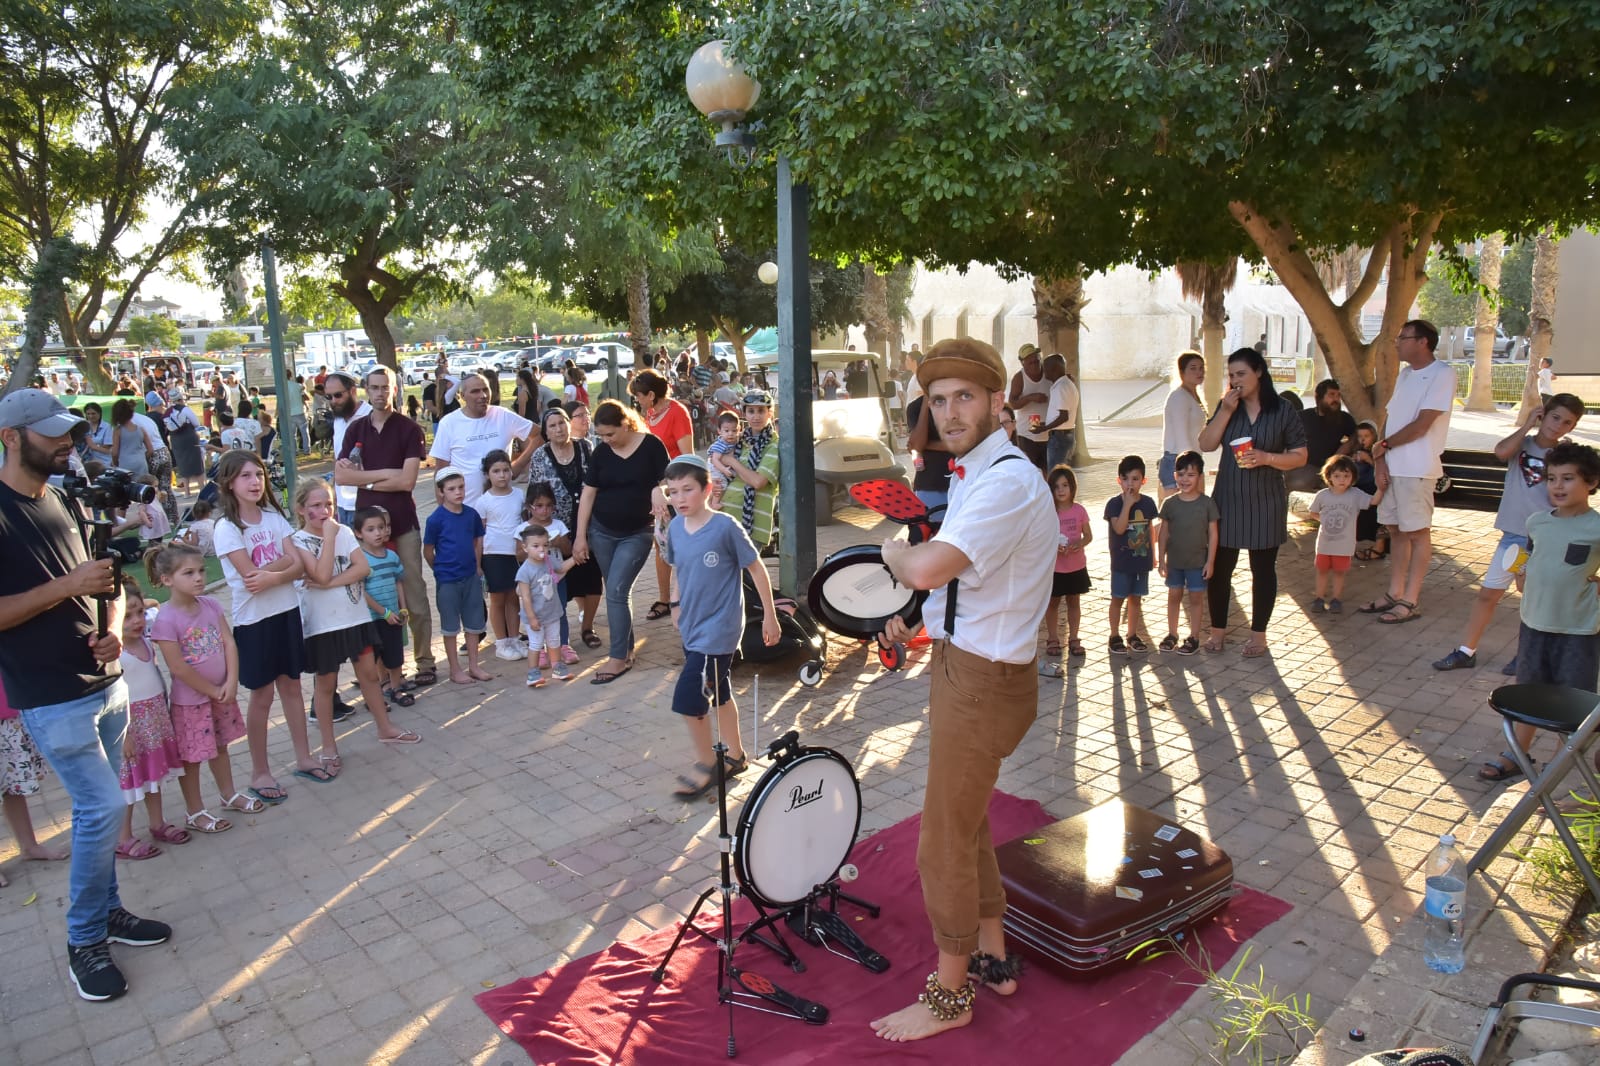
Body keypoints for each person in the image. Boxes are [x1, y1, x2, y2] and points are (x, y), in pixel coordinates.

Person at [869, 338, 1055, 1043]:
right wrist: (911, 616)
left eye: (964, 397)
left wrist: (894, 554)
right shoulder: (982, 470)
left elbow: (926, 567)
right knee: (968, 821)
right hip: (967, 666)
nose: (949, 412)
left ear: (998, 402)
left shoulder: (1004, 480)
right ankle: (993, 955)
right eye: (938, 400)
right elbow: (956, 582)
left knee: (941, 841)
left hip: (982, 681)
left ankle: (951, 998)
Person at [0, 389, 171, 1002]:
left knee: (102, 807)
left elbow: (111, 580)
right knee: (100, 810)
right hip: (49, 693)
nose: (66, 441)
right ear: (11, 438)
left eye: (68, 430)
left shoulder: (65, 498)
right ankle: (83, 940)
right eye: (50, 434)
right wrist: (68, 585)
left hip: (106, 682)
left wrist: (112, 623)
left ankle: (111, 913)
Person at [1433, 395, 1584, 677]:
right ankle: (1467, 651)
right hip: (1514, 538)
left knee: (1531, 600)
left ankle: (1526, 655)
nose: (1559, 426)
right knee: (1488, 594)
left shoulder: (1566, 455)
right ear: (1543, 414)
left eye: (1568, 423)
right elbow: (1501, 451)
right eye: (1555, 417)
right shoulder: (1522, 445)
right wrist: (1526, 425)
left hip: (1545, 540)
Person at [1475, 442, 1600, 782]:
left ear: (1590, 482)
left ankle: (1559, 768)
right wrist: (1522, 575)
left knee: (1571, 700)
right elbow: (1528, 572)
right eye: (1552, 478)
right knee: (1528, 690)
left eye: (1568, 478)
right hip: (1534, 623)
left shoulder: (1597, 528)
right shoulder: (1537, 522)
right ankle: (1516, 754)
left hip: (1579, 630)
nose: (1558, 486)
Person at [661, 456, 777, 798]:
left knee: (689, 699)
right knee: (720, 691)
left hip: (720, 629)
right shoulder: (674, 528)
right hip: (692, 626)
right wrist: (675, 604)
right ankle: (737, 755)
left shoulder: (726, 527)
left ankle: (707, 765)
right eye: (673, 491)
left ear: (707, 489)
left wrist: (770, 616)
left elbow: (756, 569)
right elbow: (678, 569)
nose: (680, 498)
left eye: (688, 490)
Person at [212, 449, 323, 795]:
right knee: (261, 696)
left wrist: (273, 575)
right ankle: (260, 772)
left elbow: (299, 565)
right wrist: (283, 569)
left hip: (286, 613)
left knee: (291, 686)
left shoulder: (274, 518)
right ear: (229, 482)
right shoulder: (227, 527)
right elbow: (249, 576)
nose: (254, 482)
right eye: (245, 476)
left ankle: (304, 758)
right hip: (254, 622)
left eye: (258, 474)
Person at [287, 480, 420, 749]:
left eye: (329, 504)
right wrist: (329, 539)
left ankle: (385, 728)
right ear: (301, 509)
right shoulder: (298, 540)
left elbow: (362, 569)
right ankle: (328, 746)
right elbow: (321, 572)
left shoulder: (345, 532)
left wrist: (331, 581)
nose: (324, 511)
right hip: (323, 624)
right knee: (326, 684)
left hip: (355, 617)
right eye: (316, 505)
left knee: (369, 675)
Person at [1197, 347, 1308, 656]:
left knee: (1263, 570)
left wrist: (1267, 457)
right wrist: (1225, 412)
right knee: (1220, 570)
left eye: (1241, 374)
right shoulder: (1227, 406)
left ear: (1259, 372)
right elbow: (1205, 444)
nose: (1235, 381)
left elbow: (1301, 456)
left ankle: (1258, 636)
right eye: (1231, 375)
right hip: (1229, 498)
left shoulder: (1283, 410)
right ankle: (1217, 632)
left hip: (1266, 500)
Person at [145, 541, 260, 833]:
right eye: (188, 573)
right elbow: (178, 668)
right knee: (193, 757)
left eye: (200, 571)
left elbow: (228, 642)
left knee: (220, 747)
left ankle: (228, 793)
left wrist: (231, 681)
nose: (198, 578)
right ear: (167, 579)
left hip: (222, 693)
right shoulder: (166, 620)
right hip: (191, 702)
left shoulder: (210, 605)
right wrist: (212, 691)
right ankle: (195, 811)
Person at [335, 366, 435, 687]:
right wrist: (385, 475)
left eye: (385, 387)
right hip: (366, 530)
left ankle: (425, 661)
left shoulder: (409, 429)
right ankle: (384, 671)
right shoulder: (356, 430)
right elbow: (342, 476)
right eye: (374, 387)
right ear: (365, 389)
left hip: (403, 524)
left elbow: (407, 482)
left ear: (395, 389)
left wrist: (366, 478)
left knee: (414, 595)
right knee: (373, 597)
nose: (380, 393)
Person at [1359, 320, 1452, 625]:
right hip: (1394, 466)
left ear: (1423, 341)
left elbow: (1422, 424)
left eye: (1403, 338)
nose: (1397, 343)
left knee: (1416, 532)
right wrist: (1381, 458)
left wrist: (1383, 445)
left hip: (1417, 468)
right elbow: (1391, 417)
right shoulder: (1405, 374)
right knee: (1395, 531)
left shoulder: (1442, 374)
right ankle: (1394, 592)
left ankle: (1410, 600)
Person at [574, 400, 671, 685]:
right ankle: (626, 650)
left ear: (626, 424)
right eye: (601, 435)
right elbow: (589, 495)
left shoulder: (652, 445)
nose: (605, 440)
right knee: (618, 590)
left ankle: (617, 658)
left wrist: (658, 488)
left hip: (638, 531)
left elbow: (671, 480)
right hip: (601, 531)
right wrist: (581, 536)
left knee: (616, 589)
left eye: (610, 434)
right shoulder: (602, 453)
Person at [114, 579, 185, 859]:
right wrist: (125, 733)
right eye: (127, 616)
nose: (136, 620)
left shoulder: (146, 639)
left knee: (155, 775)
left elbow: (156, 606)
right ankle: (122, 837)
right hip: (132, 727)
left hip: (155, 720)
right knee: (130, 784)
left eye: (139, 613)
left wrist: (143, 604)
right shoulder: (116, 654)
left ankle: (157, 823)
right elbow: (113, 698)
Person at [527, 406, 602, 651]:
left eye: (563, 422)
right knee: (558, 583)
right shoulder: (540, 455)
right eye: (552, 425)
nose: (559, 428)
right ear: (546, 432)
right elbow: (535, 493)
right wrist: (539, 530)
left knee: (591, 579)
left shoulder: (586, 447)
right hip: (555, 531)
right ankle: (558, 636)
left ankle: (587, 627)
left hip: (587, 527)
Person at [630, 368, 694, 620]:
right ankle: (664, 598)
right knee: (662, 543)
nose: (638, 401)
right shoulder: (651, 414)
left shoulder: (677, 413)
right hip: (657, 490)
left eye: (640, 396)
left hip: (677, 488)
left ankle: (686, 596)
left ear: (652, 395)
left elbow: (687, 455)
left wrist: (673, 486)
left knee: (685, 543)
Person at [424, 467, 491, 685]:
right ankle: (455, 669)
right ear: (441, 491)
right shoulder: (436, 519)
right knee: (450, 626)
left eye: (461, 487)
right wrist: (440, 570)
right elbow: (428, 551)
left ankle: (474, 666)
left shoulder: (471, 515)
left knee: (473, 624)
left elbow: (476, 541)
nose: (458, 492)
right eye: (451, 489)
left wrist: (477, 566)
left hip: (470, 576)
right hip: (447, 579)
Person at [429, 372, 535, 506]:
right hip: (465, 509)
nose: (483, 396)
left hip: (501, 511)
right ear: (463, 396)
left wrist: (518, 465)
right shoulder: (449, 423)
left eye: (485, 389)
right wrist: (443, 510)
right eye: (475, 391)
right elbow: (441, 470)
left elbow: (539, 436)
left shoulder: (503, 416)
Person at [1156, 450, 1219, 655]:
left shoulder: (1207, 503)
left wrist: (1210, 562)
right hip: (1175, 561)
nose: (1185, 479)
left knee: (1196, 598)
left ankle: (1194, 636)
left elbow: (1213, 535)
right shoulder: (1170, 504)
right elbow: (1163, 533)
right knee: (1173, 595)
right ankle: (1172, 634)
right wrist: (1162, 559)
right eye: (1181, 474)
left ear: (1200, 477)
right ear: (1174, 475)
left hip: (1197, 562)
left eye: (1191, 475)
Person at [353, 506, 414, 708]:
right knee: (370, 661)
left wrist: (402, 608)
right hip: (371, 619)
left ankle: (396, 688)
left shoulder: (391, 556)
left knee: (395, 656)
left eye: (381, 527)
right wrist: (383, 612)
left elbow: (398, 581)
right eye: (370, 529)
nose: (378, 533)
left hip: (393, 616)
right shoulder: (360, 560)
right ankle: (374, 697)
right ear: (358, 533)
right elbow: (361, 590)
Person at [1308, 455, 1377, 613]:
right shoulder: (1323, 495)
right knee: (1322, 571)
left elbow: (1373, 501)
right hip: (1325, 543)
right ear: (1329, 476)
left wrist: (1382, 486)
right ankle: (1318, 598)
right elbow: (1313, 512)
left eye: (1346, 476)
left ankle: (1336, 599)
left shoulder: (1355, 494)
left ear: (1353, 477)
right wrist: (1324, 520)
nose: (1342, 480)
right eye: (1337, 476)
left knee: (1339, 573)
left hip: (1344, 545)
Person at [475, 450, 526, 662]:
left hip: (515, 554)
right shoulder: (483, 501)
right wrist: (478, 564)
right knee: (497, 599)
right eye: (496, 471)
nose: (502, 475)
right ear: (488, 474)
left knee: (514, 597)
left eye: (506, 470)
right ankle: (501, 643)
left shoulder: (519, 495)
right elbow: (478, 537)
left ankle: (514, 638)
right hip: (493, 555)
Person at [715, 391, 781, 551]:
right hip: (725, 516)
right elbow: (715, 462)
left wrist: (731, 461)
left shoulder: (773, 445)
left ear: (770, 413)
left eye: (761, 411)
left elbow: (758, 481)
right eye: (751, 411)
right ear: (744, 413)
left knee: (747, 574)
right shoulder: (737, 439)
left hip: (753, 525)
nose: (756, 416)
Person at [1105, 455, 1158, 654]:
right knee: (1118, 598)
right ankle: (1114, 635)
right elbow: (1119, 529)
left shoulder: (1148, 503)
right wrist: (1127, 504)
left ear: (1143, 481)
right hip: (1121, 561)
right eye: (1126, 479)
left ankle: (1132, 634)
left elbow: (1150, 528)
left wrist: (1153, 554)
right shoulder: (1114, 504)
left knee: (1136, 598)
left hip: (1141, 559)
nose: (1130, 484)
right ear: (1119, 480)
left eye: (1135, 479)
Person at [524, 482, 580, 666]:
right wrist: (535, 547)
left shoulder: (558, 524)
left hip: (557, 579)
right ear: (529, 507)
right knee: (537, 612)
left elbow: (568, 549)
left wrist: (558, 541)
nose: (544, 510)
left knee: (560, 611)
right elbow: (517, 553)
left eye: (549, 506)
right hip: (534, 583)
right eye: (538, 506)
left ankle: (563, 645)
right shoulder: (524, 528)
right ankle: (539, 649)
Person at [516, 524, 578, 687]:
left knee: (554, 640)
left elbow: (562, 567)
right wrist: (531, 618)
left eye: (545, 545)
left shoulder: (549, 560)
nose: (541, 549)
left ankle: (557, 667)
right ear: (525, 547)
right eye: (535, 546)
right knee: (536, 644)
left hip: (552, 613)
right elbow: (526, 597)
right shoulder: (524, 571)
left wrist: (575, 558)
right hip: (535, 616)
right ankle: (533, 672)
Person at [1043, 465, 1091, 660]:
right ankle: (1053, 637)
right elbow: (1042, 537)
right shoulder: (1048, 512)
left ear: (1072, 487)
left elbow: (1088, 535)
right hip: (1055, 568)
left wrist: (1079, 543)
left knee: (1074, 601)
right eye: (1056, 486)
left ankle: (1074, 637)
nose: (1061, 490)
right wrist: (1053, 546)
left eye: (1065, 485)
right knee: (1053, 603)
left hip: (1076, 566)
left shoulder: (1079, 511)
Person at [1287, 379, 1358, 493]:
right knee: (1287, 482)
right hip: (1305, 466)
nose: (1336, 399)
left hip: (1334, 469)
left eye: (1338, 395)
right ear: (1318, 397)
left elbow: (1356, 437)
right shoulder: (1303, 417)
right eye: (1331, 395)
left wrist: (1338, 455)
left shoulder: (1344, 419)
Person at [321, 373, 370, 524]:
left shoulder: (371, 417)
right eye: (328, 397)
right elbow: (338, 458)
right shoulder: (338, 419)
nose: (333, 401)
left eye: (338, 395)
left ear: (353, 391)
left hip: (365, 504)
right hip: (342, 504)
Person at [1159, 352, 1207, 502]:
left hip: (1193, 460)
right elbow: (1181, 437)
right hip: (1179, 461)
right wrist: (1189, 469)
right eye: (1193, 368)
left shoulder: (1194, 396)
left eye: (1201, 368)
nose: (1198, 372)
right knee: (1176, 516)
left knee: (1194, 513)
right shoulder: (1179, 397)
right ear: (1181, 372)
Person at [905, 386, 954, 520]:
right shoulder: (915, 407)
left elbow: (968, 441)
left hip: (966, 483)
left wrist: (927, 445)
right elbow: (916, 445)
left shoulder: (960, 402)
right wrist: (926, 403)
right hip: (931, 485)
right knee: (930, 533)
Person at [1006, 343, 1052, 469]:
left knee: (1049, 472)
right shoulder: (1019, 378)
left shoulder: (1049, 372)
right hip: (1027, 435)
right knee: (1029, 470)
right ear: (1022, 363)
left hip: (1049, 433)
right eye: (1030, 362)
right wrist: (1031, 398)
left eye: (1036, 360)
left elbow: (1062, 382)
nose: (1035, 364)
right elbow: (1012, 404)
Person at [1352, 422, 1388, 560]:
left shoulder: (1379, 450)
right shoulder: (1357, 451)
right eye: (1360, 436)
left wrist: (1369, 460)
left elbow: (1381, 471)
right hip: (1361, 488)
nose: (1363, 440)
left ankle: (1378, 547)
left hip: (1376, 488)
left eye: (1366, 436)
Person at [1039, 354, 1080, 472]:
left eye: (1045, 368)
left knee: (1056, 474)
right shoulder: (1065, 384)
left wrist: (1045, 427)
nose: (1044, 371)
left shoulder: (1061, 387)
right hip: (1064, 436)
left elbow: (1063, 416)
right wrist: (1046, 424)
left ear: (1055, 369)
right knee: (1061, 474)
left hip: (1059, 438)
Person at [707, 411, 741, 508]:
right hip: (715, 467)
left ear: (738, 429)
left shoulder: (734, 439)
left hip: (720, 466)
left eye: (734, 431)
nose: (730, 434)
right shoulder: (721, 444)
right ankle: (714, 503)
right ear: (719, 431)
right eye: (726, 431)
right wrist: (724, 470)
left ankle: (711, 501)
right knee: (721, 484)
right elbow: (715, 459)